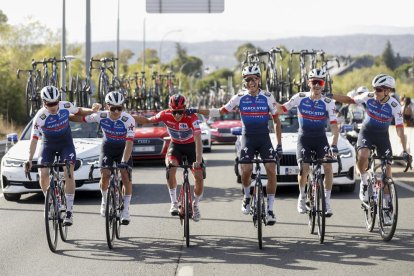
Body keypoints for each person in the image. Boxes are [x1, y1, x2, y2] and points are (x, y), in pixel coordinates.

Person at [190, 64, 282, 225]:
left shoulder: (268, 96)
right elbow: (219, 111)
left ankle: (270, 209)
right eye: (248, 79)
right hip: (248, 137)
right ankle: (247, 196)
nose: (251, 82)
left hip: (263, 137)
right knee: (246, 170)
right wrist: (198, 110)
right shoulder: (239, 97)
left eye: (254, 79)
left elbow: (276, 121)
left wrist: (279, 144)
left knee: (271, 169)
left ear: (259, 80)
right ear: (244, 82)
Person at [330, 74, 411, 205]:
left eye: (378, 90)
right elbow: (350, 99)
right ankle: (364, 181)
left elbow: (400, 129)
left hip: (382, 136)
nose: (375, 92)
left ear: (388, 91)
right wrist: (331, 95)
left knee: (387, 170)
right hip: (366, 132)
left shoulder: (394, 105)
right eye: (374, 88)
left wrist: (404, 150)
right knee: (363, 155)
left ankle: (387, 202)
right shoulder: (368, 96)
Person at [25, 85, 100, 226]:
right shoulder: (40, 117)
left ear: (58, 100)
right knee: (43, 173)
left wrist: (92, 110)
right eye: (49, 104)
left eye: (55, 103)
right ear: (43, 103)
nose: (53, 106)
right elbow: (33, 140)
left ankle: (70, 210)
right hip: (48, 145)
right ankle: (51, 201)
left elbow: (79, 110)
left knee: (68, 172)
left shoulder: (65, 105)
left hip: (66, 143)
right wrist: (29, 159)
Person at [133, 94, 204, 222]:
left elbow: (198, 141)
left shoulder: (192, 118)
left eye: (180, 112)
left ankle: (196, 204)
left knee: (199, 176)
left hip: (191, 146)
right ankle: (174, 203)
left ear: (185, 108)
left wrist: (198, 161)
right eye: (174, 112)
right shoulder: (164, 114)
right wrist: (127, 117)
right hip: (175, 145)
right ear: (170, 109)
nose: (177, 115)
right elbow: (148, 121)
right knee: (171, 167)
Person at [281, 68, 339, 217]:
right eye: (314, 82)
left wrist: (334, 144)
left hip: (320, 138)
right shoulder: (300, 97)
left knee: (328, 166)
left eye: (320, 82)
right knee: (304, 168)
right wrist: (269, 108)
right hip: (304, 138)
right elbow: (283, 108)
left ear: (323, 84)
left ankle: (326, 202)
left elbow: (333, 125)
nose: (317, 85)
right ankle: (301, 196)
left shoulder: (328, 102)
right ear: (309, 83)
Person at [72, 91, 135, 225]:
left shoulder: (128, 119)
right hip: (108, 147)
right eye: (113, 108)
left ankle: (126, 210)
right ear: (107, 107)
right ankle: (105, 200)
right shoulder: (100, 116)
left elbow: (129, 143)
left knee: (125, 176)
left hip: (124, 148)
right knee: (105, 175)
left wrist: (124, 161)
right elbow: (79, 119)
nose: (117, 111)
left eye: (120, 108)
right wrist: (64, 116)